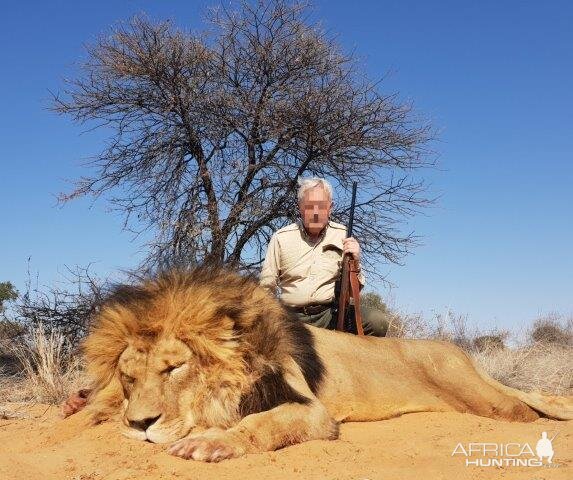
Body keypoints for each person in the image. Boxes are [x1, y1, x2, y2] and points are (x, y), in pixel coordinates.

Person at [260, 177, 389, 336]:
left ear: (330, 208)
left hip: (330, 315)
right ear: (300, 208)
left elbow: (355, 289)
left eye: (321, 206)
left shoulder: (343, 235)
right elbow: (266, 287)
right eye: (309, 206)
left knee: (377, 322)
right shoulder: (281, 237)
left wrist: (356, 261)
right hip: (291, 317)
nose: (315, 213)